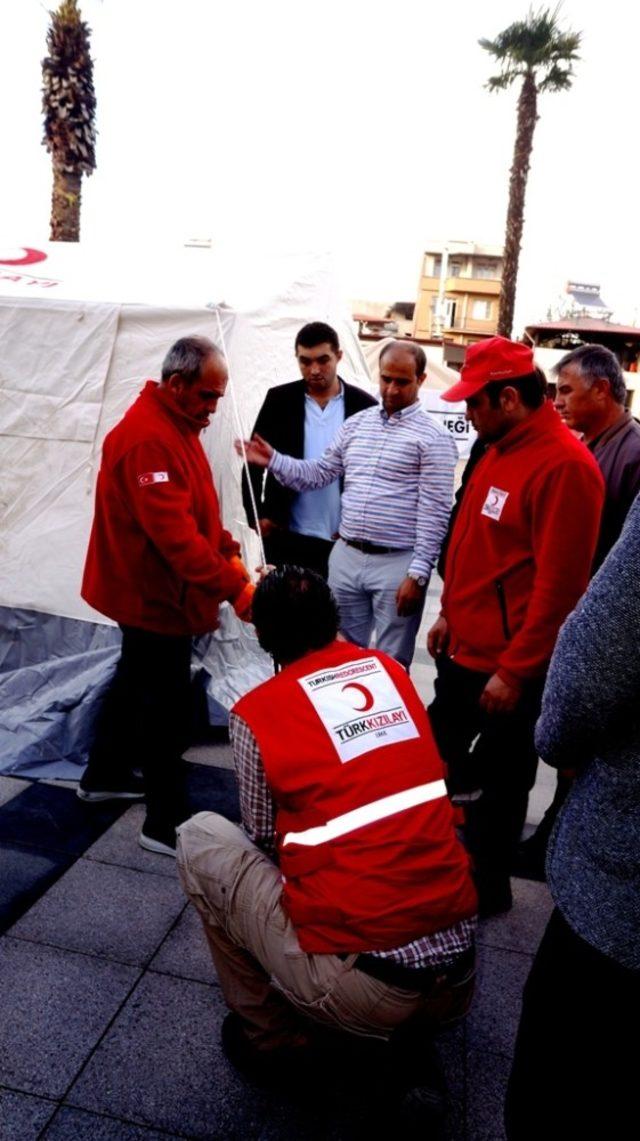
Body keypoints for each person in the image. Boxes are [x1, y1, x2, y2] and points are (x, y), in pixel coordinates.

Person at [177, 567, 477, 1120]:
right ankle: (403, 1040)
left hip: (368, 992)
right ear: (335, 619)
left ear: (263, 639)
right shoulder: (389, 671)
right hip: (459, 973)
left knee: (201, 839)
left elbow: (264, 838)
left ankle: (273, 1041)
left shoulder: (259, 714)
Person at [426, 336, 604, 917]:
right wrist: (449, 609)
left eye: (473, 404)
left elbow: (560, 592)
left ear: (507, 398)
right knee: (434, 766)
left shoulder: (566, 467)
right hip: (463, 651)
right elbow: (474, 544)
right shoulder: (497, 446)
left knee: (502, 787)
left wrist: (515, 670)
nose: (466, 416)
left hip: (508, 671)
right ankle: (438, 867)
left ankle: (487, 889)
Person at [78, 336, 254, 856]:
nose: (213, 408)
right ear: (176, 385)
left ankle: (104, 773)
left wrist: (229, 550)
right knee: (164, 706)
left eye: (218, 397)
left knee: (135, 682)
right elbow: (176, 540)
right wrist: (237, 589)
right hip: (151, 598)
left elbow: (198, 509)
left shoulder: (177, 426)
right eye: (207, 396)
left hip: (155, 593)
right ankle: (164, 820)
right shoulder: (149, 440)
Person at [504, 494, 640, 1141]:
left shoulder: (565, 466)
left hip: (622, 906)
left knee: (557, 1101)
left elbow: (589, 668)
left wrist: (562, 745)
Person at [238, 341, 457, 669]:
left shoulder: (434, 438)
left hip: (396, 564)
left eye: (402, 381)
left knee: (391, 663)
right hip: (347, 558)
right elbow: (317, 473)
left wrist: (418, 572)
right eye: (386, 379)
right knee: (336, 655)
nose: (392, 389)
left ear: (421, 380)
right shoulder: (358, 424)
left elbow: (436, 512)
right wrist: (274, 461)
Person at [516, 343, 640, 878]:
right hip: (582, 624)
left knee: (580, 755)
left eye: (566, 390)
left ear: (602, 390)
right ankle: (552, 836)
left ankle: (555, 842)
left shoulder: (632, 454)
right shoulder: (595, 444)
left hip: (606, 634)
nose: (557, 401)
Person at [241, 321, 376, 578]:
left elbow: (372, 474)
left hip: (341, 539)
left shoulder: (364, 407)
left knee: (333, 615)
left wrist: (358, 526)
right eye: (305, 361)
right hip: (285, 532)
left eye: (323, 360)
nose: (314, 369)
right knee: (285, 612)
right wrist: (257, 514)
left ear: (339, 356)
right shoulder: (279, 400)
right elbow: (253, 463)